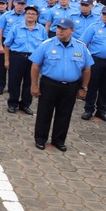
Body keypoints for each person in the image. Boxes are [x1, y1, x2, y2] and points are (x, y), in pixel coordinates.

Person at [31, 18, 94, 151]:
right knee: (44, 113)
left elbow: (87, 69)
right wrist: (34, 85)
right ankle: (40, 139)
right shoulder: (46, 44)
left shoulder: (81, 47)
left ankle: (58, 140)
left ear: (72, 30)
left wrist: (84, 87)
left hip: (71, 86)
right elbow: (35, 65)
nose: (60, 31)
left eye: (64, 29)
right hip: (50, 84)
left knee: (64, 114)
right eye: (58, 28)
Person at [3, 4, 47, 114]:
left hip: (33, 60)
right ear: (24, 14)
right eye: (28, 13)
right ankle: (12, 103)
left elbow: (45, 46)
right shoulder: (16, 27)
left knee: (30, 82)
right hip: (17, 57)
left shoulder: (41, 29)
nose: (30, 16)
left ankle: (25, 104)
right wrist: (7, 60)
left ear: (37, 16)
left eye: (33, 14)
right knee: (14, 82)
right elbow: (7, 45)